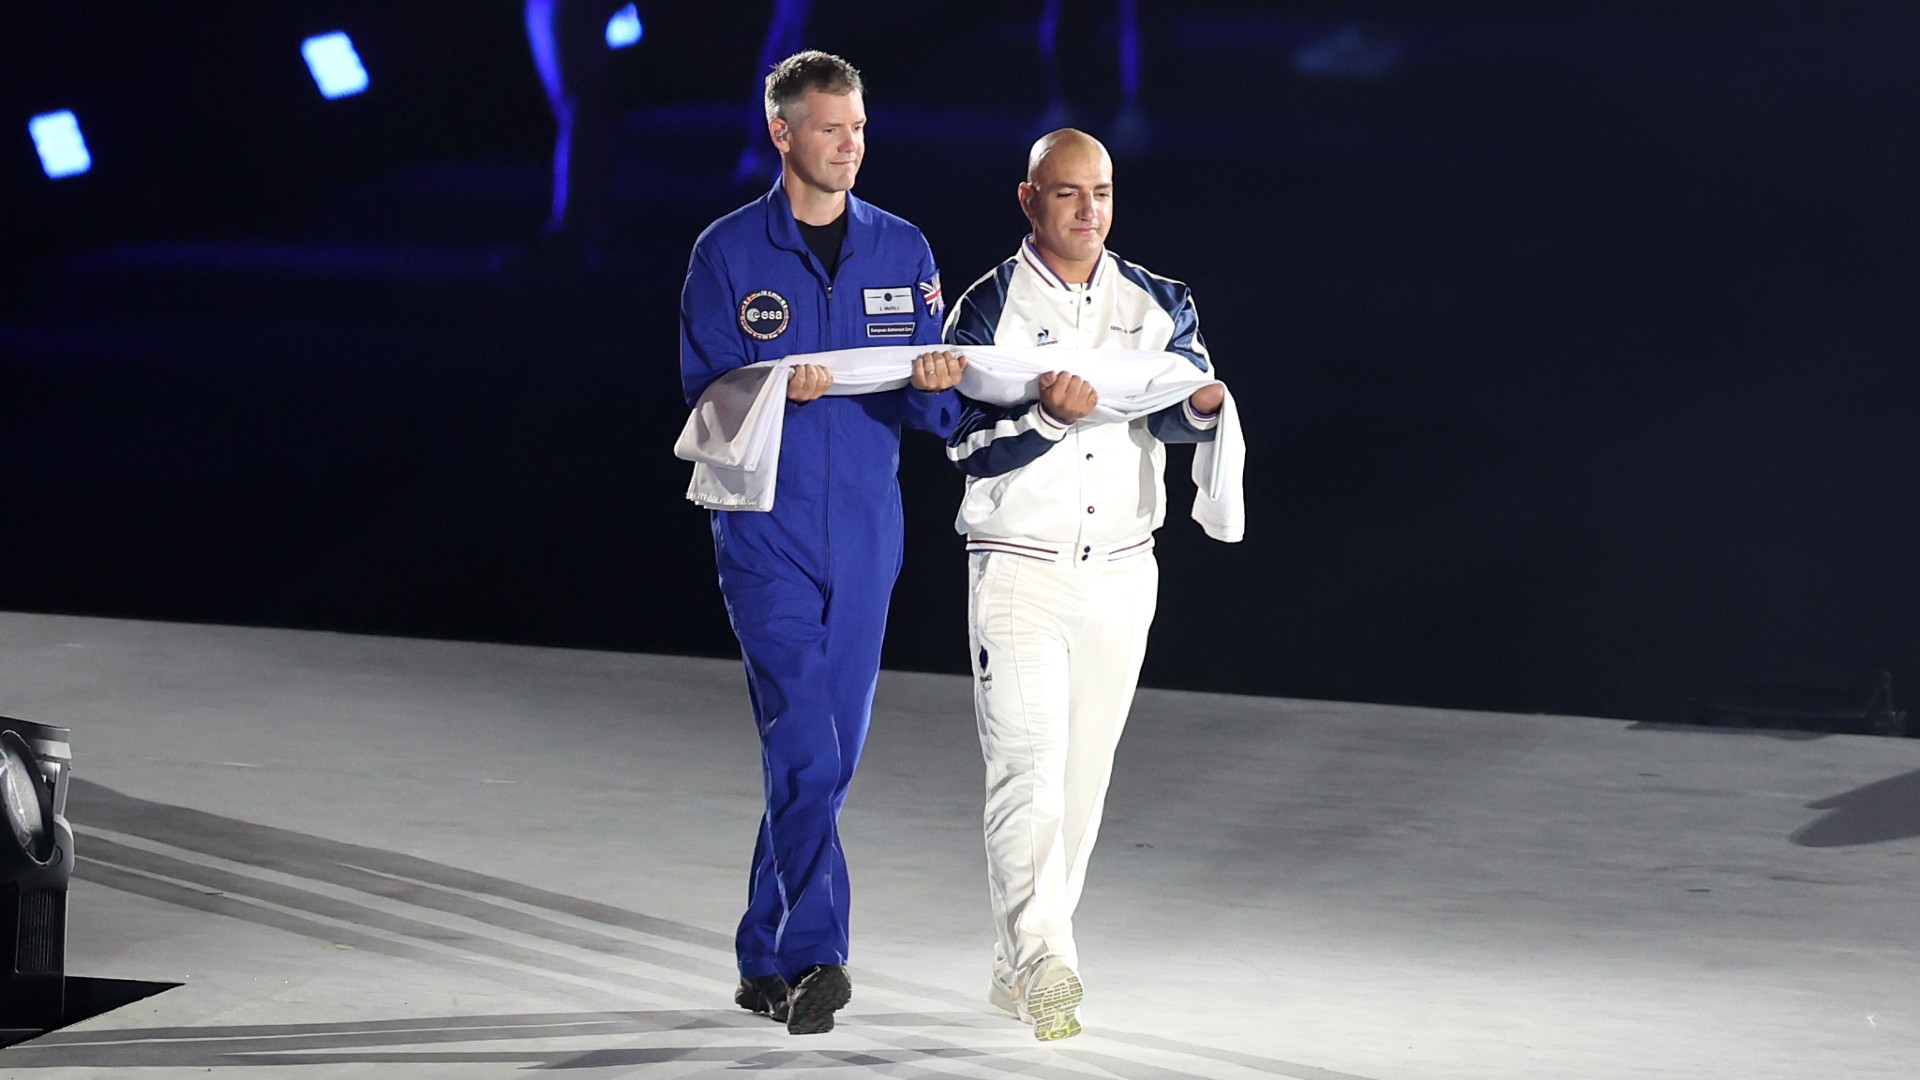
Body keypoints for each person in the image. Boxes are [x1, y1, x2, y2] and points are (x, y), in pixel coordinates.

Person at [678, 50, 967, 1036]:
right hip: (764, 530)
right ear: (783, 133)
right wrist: (771, 385)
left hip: (869, 537)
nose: (853, 144)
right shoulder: (727, 252)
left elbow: (941, 420)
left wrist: (938, 383)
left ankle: (761, 951)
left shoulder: (903, 248)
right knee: (802, 736)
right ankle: (816, 956)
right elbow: (703, 393)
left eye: (859, 128)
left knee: (826, 759)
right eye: (833, 128)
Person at [941, 128, 1223, 1041]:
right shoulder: (986, 307)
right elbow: (962, 445)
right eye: (1067, 194)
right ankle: (1047, 963)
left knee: (1084, 780)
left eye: (1100, 192)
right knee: (1027, 772)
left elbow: (1177, 408)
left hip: (1122, 572)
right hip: (1018, 568)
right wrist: (1045, 420)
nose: (1088, 211)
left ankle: (1015, 958)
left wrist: (1203, 409)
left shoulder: (1158, 300)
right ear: (1029, 200)